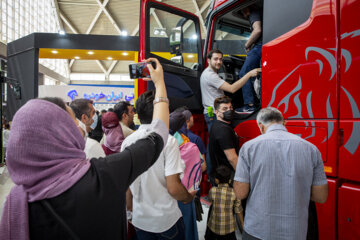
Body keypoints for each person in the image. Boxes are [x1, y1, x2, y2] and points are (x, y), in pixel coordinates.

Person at [0, 57, 170, 240]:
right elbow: (158, 135)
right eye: (72, 120)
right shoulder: (103, 174)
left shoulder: (16, 202)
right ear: (60, 131)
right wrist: (159, 83)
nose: (79, 126)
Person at [234, 107, 328, 240]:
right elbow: (321, 196)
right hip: (295, 231)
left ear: (260, 126)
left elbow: (240, 193)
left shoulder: (249, 148)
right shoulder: (312, 149)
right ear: (284, 123)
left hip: (258, 230)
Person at [121, 87, 197, 239]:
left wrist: (130, 211)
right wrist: (189, 198)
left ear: (138, 114)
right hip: (166, 222)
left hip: (140, 221)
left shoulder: (127, 142)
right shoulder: (168, 141)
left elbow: (126, 186)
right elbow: (174, 188)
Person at [200, 49, 261, 131]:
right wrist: (249, 74)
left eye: (220, 59)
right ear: (208, 60)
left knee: (217, 140)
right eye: (215, 59)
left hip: (214, 112)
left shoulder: (210, 73)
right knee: (218, 140)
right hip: (214, 114)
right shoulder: (210, 75)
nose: (218, 62)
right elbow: (232, 89)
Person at [206, 165, 243, 240]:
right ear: (230, 180)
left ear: (216, 180)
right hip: (229, 228)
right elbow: (238, 209)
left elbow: (210, 200)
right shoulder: (234, 192)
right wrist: (242, 224)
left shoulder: (213, 190)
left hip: (214, 226)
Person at [237, 6, 263, 113]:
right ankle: (256, 103)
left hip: (259, 46)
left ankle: (249, 105)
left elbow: (257, 30)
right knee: (255, 75)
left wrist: (247, 45)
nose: (244, 15)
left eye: (243, 12)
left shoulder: (254, 13)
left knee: (244, 74)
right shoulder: (261, 13)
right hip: (263, 45)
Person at [208, 96, 239, 183]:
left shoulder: (217, 126)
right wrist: (243, 175)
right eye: (225, 109)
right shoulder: (223, 129)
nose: (229, 111)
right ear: (217, 112)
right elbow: (232, 158)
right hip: (228, 177)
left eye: (230, 108)